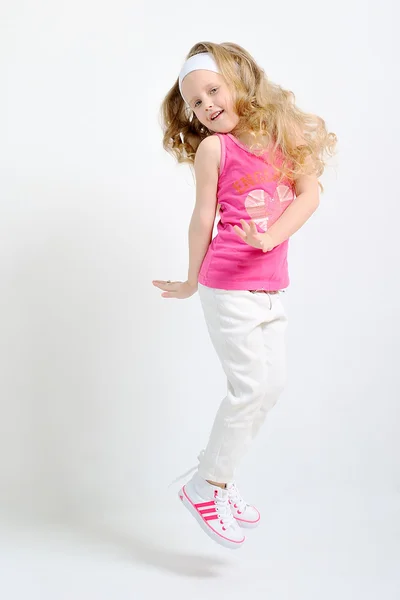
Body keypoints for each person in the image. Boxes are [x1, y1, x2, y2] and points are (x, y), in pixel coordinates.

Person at [153, 41, 336, 550]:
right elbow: (201, 219)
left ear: (242, 83)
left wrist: (272, 237)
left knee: (271, 386)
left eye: (213, 90)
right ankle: (204, 487)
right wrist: (191, 280)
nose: (206, 105)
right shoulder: (215, 148)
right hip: (227, 285)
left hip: (272, 284)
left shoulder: (282, 135)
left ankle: (222, 475)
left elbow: (310, 192)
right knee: (250, 388)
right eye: (195, 102)